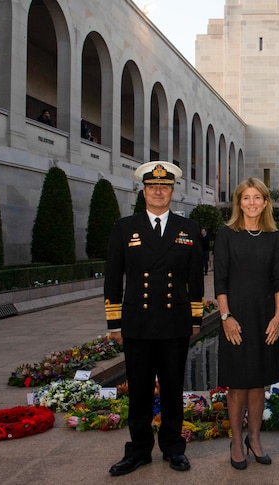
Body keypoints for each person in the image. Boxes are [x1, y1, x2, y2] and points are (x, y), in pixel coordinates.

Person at [104, 161, 203, 476]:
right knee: (140, 392)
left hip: (174, 323)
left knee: (173, 390)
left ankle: (174, 449)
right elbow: (112, 278)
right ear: (144, 191)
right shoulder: (124, 227)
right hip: (138, 324)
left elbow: (196, 280)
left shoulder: (187, 228)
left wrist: (197, 318)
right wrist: (114, 323)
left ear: (173, 191)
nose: (158, 191)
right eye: (152, 187)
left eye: (164, 187)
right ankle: (138, 451)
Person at [214, 177, 279, 470]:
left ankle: (254, 439)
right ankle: (236, 441)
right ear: (239, 202)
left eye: (258, 197)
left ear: (265, 202)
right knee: (237, 385)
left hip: (264, 318)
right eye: (247, 198)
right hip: (236, 317)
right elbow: (220, 281)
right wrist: (226, 317)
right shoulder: (226, 234)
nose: (252, 203)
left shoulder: (273, 236)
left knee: (258, 384)